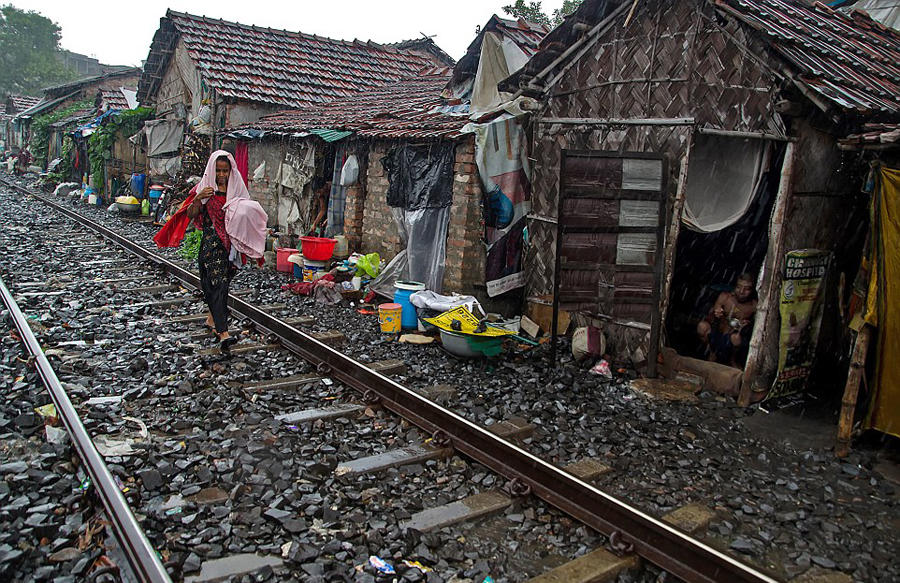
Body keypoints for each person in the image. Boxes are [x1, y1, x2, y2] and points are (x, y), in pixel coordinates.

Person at [154, 150, 268, 354]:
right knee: (219, 286)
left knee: (218, 285)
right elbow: (190, 214)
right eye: (219, 171)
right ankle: (223, 333)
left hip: (231, 248)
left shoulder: (236, 189)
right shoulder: (203, 189)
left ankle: (211, 319)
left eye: (225, 171)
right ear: (212, 170)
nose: (222, 175)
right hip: (211, 246)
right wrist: (198, 198)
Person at [697, 273, 758, 367]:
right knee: (702, 326)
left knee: (736, 339)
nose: (741, 291)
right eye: (739, 287)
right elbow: (711, 316)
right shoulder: (725, 297)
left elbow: (757, 328)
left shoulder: (754, 306)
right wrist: (716, 313)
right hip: (718, 334)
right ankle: (712, 351)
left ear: (752, 290)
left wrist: (747, 326)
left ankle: (732, 359)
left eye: (747, 289)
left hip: (733, 339)